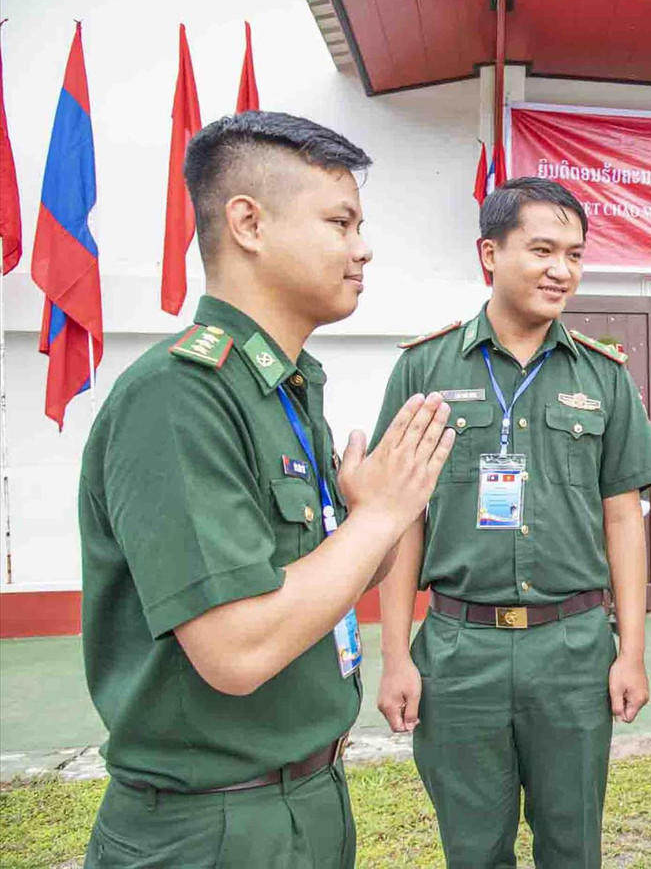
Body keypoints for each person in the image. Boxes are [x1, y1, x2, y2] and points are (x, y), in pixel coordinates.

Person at [78, 111, 456, 868]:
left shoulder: (284, 390)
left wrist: (373, 523)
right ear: (248, 223)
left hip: (307, 798)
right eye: (340, 221)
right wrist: (377, 517)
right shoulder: (179, 398)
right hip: (210, 826)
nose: (363, 247)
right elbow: (237, 649)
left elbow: (317, 582)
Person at [372, 177, 651, 868]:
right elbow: (399, 521)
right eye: (541, 249)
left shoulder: (605, 377)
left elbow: (625, 518)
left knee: (573, 846)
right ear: (489, 253)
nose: (561, 269)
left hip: (572, 650)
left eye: (574, 253)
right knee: (473, 849)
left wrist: (631, 650)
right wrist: (395, 657)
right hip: (457, 650)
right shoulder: (425, 367)